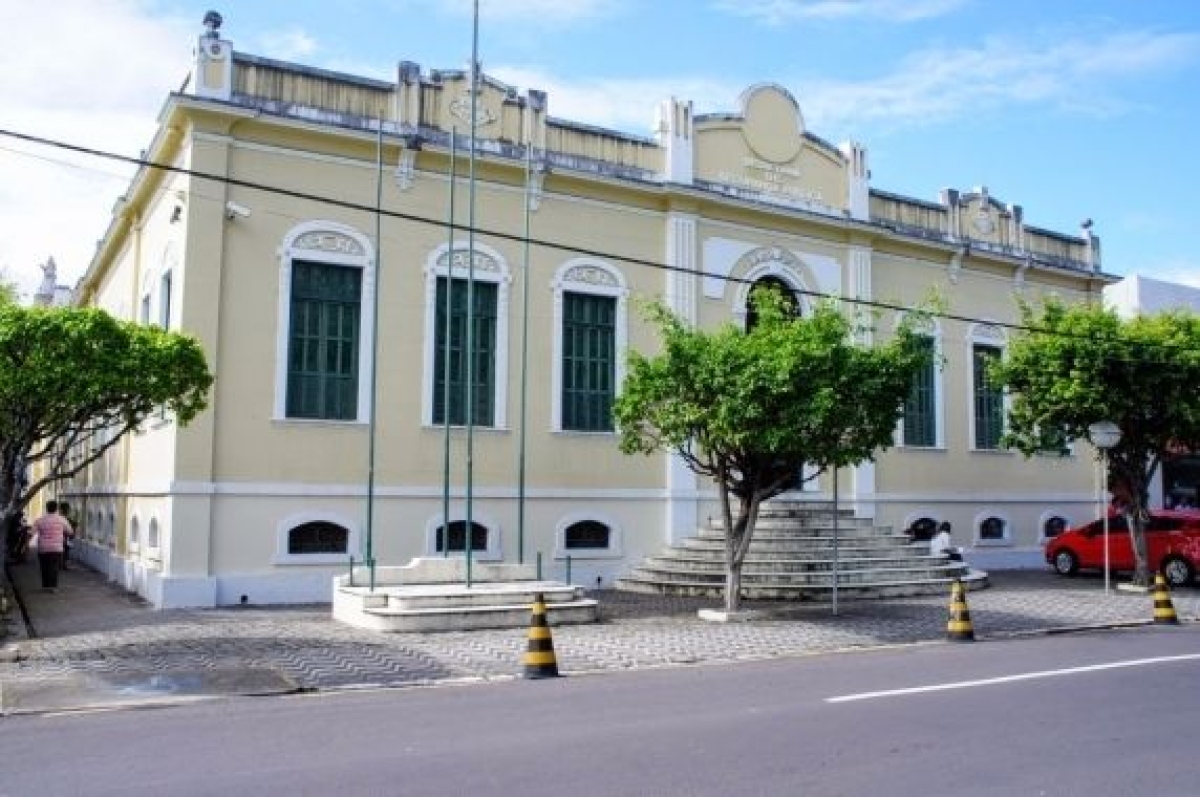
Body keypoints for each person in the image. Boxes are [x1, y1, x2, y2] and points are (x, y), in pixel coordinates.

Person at [32, 499, 73, 591]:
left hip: (43, 548)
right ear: (56, 509)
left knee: (44, 567)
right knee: (54, 567)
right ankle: (53, 587)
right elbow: (70, 531)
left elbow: (32, 532)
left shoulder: (40, 520)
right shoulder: (62, 519)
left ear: (47, 508)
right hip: (57, 548)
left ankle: (45, 586)